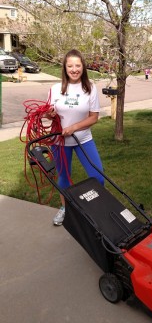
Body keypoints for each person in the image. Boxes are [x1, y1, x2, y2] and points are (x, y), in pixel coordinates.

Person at [47, 49, 104, 226]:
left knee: (98, 177)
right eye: (70, 65)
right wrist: (49, 115)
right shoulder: (55, 89)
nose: (74, 69)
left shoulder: (90, 88)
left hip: (84, 140)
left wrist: (74, 127)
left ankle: (96, 210)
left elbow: (94, 117)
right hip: (60, 142)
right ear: (64, 67)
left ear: (83, 67)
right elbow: (50, 115)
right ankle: (65, 209)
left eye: (77, 65)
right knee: (64, 177)